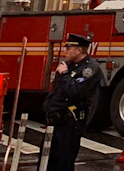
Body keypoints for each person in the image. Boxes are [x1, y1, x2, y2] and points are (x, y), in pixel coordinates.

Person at [43, 34, 104, 171]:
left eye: (69, 48)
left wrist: (65, 74)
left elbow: (75, 91)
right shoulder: (68, 66)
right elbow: (58, 91)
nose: (66, 51)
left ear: (79, 50)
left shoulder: (89, 69)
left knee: (64, 162)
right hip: (55, 120)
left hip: (70, 123)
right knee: (48, 161)